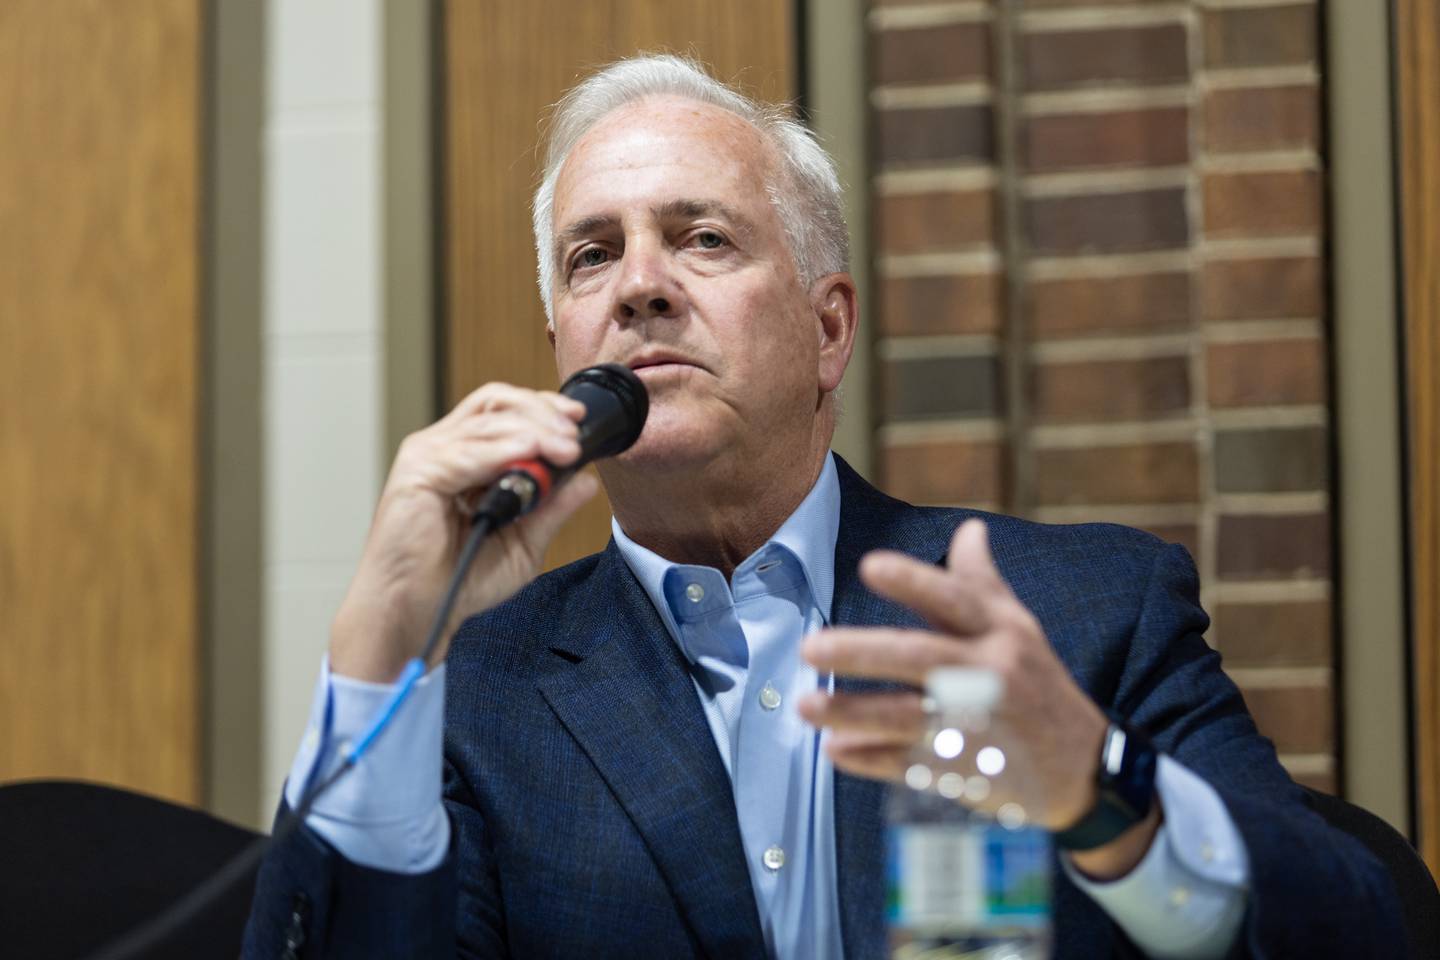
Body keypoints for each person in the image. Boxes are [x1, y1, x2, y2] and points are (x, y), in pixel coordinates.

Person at [244, 55, 1401, 958]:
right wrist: (376, 651)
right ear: (564, 347)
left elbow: (1361, 934)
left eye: (702, 238)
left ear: (829, 328)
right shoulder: (474, 688)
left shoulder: (1083, 612)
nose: (641, 283)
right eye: (592, 256)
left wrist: (1099, 789)